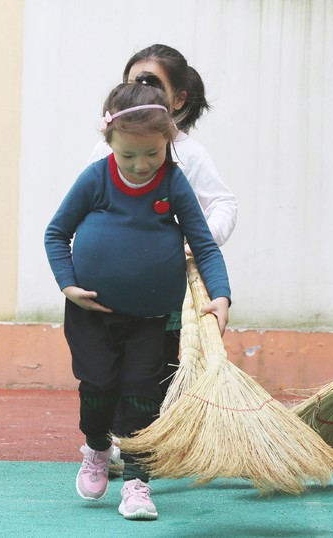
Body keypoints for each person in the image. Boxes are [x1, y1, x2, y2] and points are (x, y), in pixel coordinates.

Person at [46, 82, 231, 520]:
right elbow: (56, 232)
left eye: (153, 153)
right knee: (98, 389)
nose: (141, 165)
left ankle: (137, 483)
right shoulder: (96, 178)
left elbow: (204, 244)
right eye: (128, 155)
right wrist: (68, 284)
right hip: (92, 314)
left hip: (152, 318)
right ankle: (95, 447)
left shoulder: (173, 181)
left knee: (143, 396)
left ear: (168, 140)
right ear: (109, 141)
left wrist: (220, 295)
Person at [88, 44, 238, 477]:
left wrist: (198, 241)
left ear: (178, 100)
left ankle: (142, 447)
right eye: (133, 82)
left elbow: (224, 204)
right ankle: (115, 442)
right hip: (112, 286)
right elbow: (81, 209)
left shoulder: (187, 154)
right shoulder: (105, 152)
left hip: (164, 290)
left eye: (152, 83)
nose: (141, 90)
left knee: (153, 367)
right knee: (107, 365)